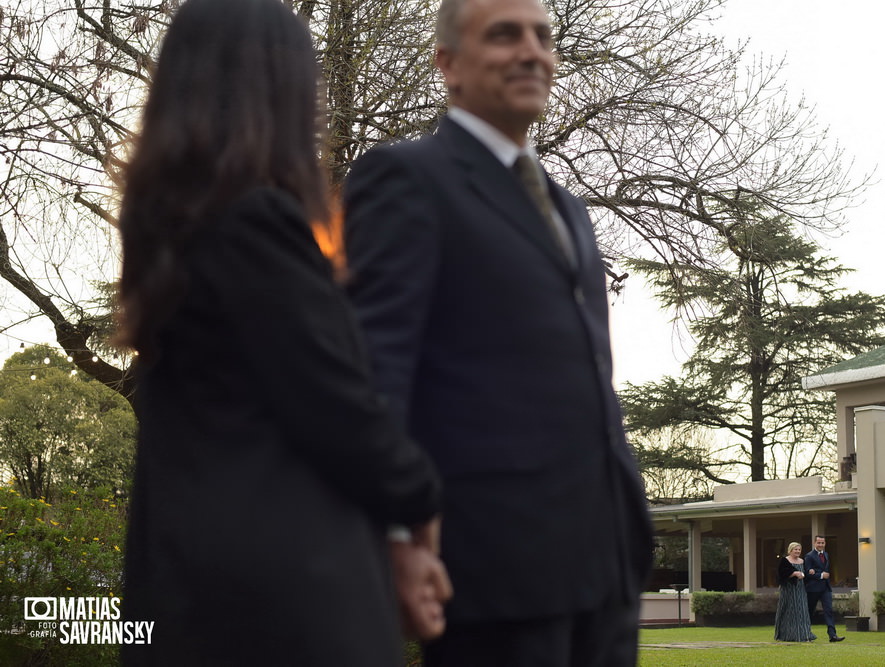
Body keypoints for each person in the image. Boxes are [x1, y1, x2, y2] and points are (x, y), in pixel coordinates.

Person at [117, 0, 450, 663]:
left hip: (188, 589)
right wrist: (422, 496)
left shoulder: (168, 236)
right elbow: (338, 408)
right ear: (278, 94)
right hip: (285, 601)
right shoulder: (257, 226)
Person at [342, 0, 654, 664]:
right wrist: (396, 535)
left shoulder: (568, 210)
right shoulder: (405, 180)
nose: (531, 52)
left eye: (543, 37)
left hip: (607, 569)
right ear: (447, 63)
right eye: (504, 35)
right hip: (492, 574)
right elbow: (377, 371)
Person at [804, 534, 846, 642]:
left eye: (822, 543)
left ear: (825, 543)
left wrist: (820, 574)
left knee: (829, 611)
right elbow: (807, 573)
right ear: (814, 543)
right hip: (812, 589)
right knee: (809, 611)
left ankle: (832, 635)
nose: (821, 545)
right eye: (819, 542)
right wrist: (821, 575)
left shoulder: (826, 555)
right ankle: (805, 634)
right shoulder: (809, 556)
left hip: (825, 588)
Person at [774, 542, 816, 642]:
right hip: (788, 590)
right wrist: (794, 573)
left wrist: (810, 572)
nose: (797, 551)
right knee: (789, 611)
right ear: (790, 550)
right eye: (795, 549)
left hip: (801, 590)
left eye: (799, 550)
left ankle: (804, 634)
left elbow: (805, 574)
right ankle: (788, 635)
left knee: (802, 610)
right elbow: (781, 574)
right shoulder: (785, 561)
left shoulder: (802, 561)